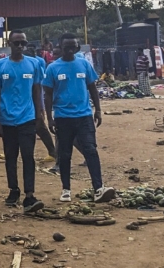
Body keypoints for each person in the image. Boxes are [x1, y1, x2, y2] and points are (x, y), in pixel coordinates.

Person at [43, 33, 115, 204]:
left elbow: (92, 88)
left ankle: (98, 188)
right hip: (63, 118)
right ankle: (66, 189)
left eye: (73, 46)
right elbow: (47, 95)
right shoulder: (52, 68)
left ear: (77, 47)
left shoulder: (84, 64)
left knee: (90, 150)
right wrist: (49, 118)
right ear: (60, 46)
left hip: (84, 116)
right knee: (65, 154)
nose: (70, 49)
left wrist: (98, 110)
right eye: (66, 46)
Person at [0, 32, 45, 214]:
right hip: (6, 119)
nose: (20, 46)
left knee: (28, 156)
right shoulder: (0, 66)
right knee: (10, 156)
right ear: (9, 43)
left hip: (27, 118)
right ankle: (13, 190)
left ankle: (29, 194)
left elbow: (37, 90)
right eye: (16, 43)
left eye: (23, 42)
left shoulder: (34, 64)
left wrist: (40, 113)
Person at [23, 45, 57, 162]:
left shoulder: (36, 66)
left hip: (33, 104)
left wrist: (41, 108)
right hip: (21, 105)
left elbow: (39, 90)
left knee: (40, 127)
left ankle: (53, 152)